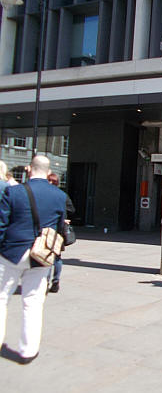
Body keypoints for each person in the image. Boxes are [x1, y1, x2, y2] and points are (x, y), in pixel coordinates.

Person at [0, 155, 66, 364]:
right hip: (41, 254)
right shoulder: (59, 195)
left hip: (12, 251)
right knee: (34, 302)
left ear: (29, 169)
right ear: (48, 172)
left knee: (2, 298)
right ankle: (28, 350)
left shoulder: (13, 191)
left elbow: (2, 224)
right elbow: (59, 228)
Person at [46, 173, 75, 293]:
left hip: (49, 229)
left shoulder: (46, 195)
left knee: (47, 256)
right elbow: (71, 209)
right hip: (59, 229)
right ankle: (55, 281)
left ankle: (46, 282)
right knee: (56, 256)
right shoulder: (62, 195)